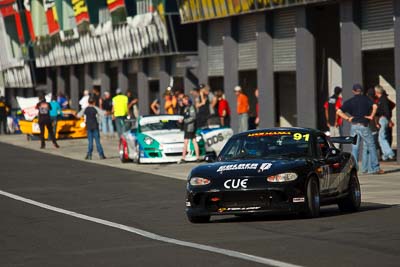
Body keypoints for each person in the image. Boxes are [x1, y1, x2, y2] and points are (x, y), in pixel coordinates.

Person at [336, 84, 384, 174]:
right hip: (363, 125)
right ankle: (375, 168)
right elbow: (375, 106)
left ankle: (354, 168)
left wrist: (347, 118)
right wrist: (371, 116)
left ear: (353, 91)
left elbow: (338, 111)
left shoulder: (350, 101)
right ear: (361, 91)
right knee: (371, 145)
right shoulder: (366, 99)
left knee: (355, 148)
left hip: (354, 125)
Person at [374, 85, 395, 161]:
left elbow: (386, 110)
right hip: (383, 119)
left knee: (381, 138)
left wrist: (389, 120)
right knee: (382, 137)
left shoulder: (383, 100)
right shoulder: (381, 100)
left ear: (377, 92)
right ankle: (385, 155)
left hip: (383, 119)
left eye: (375, 91)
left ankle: (390, 153)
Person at [180, 95, 200, 163]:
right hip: (188, 127)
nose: (183, 101)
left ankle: (183, 158)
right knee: (193, 141)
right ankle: (197, 157)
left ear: (187, 100)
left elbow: (193, 117)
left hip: (190, 127)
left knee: (187, 142)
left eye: (183, 100)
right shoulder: (186, 107)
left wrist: (185, 120)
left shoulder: (191, 107)